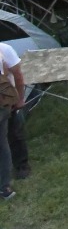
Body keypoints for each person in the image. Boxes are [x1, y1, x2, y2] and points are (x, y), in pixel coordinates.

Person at [0, 41, 26, 200]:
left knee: (14, 134)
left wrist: (20, 99)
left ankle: (22, 166)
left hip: (5, 100)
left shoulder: (5, 49)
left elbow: (18, 75)